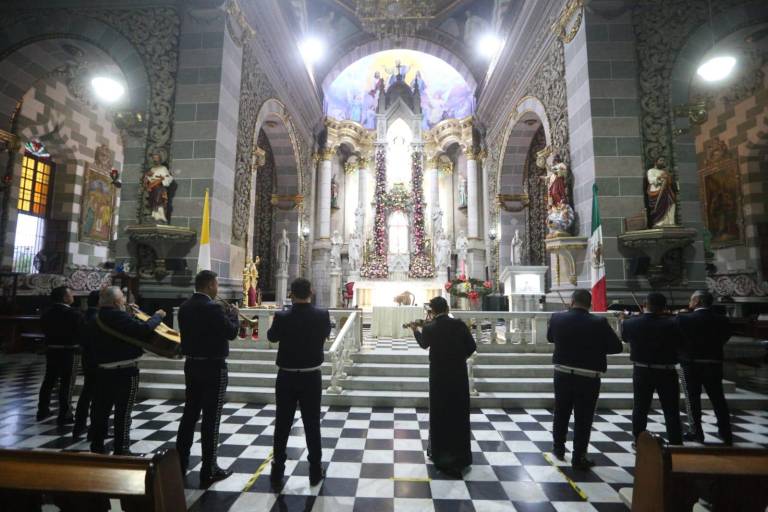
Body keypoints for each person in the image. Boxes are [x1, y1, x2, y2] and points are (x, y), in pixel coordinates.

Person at [176, 270, 239, 487]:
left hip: (192, 365)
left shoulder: (184, 307)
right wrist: (233, 314)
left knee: (189, 415)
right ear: (210, 284)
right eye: (216, 284)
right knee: (211, 419)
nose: (217, 288)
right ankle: (209, 469)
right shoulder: (213, 308)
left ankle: (180, 464)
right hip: (213, 367)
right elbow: (231, 332)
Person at [267, 278, 331, 490]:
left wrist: (275, 323)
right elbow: (324, 335)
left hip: (286, 376)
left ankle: (277, 470)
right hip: (311, 376)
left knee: (282, 424)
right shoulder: (322, 315)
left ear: (291, 294)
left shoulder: (282, 316)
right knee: (312, 424)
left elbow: (272, 337)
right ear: (311, 292)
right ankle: (314, 470)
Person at [548, 289, 623, 470]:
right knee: (584, 417)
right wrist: (595, 348)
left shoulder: (557, 318)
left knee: (561, 412)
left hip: (563, 373)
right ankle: (579, 456)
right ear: (589, 304)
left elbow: (550, 337)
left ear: (571, 301)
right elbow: (616, 347)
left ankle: (558, 448)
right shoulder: (599, 322)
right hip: (588, 377)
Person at [88, 287, 165, 455]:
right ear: (116, 302)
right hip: (124, 371)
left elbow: (122, 330)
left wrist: (130, 315)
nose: (125, 300)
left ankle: (97, 446)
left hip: (103, 370)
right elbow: (143, 330)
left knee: (101, 410)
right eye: (123, 298)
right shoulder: (117, 315)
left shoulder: (97, 317)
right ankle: (121, 449)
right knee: (123, 412)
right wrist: (157, 317)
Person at [410, 296, 477, 477]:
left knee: (440, 414)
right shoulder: (460, 325)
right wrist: (457, 358)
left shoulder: (431, 328)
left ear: (432, 311)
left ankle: (441, 456)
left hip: (439, 378)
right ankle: (461, 457)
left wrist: (415, 330)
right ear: (447, 308)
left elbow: (424, 344)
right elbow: (472, 347)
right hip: (458, 377)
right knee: (458, 414)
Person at [620, 292, 683, 445]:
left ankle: (638, 439)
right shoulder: (674, 323)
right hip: (667, 370)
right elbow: (682, 342)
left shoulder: (631, 323)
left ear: (644, 305)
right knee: (671, 408)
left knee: (640, 407)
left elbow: (625, 338)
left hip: (642, 370)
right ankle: (675, 441)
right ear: (664, 307)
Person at [676, 290, 732, 444]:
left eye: (691, 299)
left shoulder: (683, 319)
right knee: (718, 399)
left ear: (698, 301)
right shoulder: (722, 320)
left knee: (692, 400)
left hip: (690, 364)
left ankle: (696, 432)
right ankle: (726, 433)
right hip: (713, 363)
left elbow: (677, 338)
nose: (689, 302)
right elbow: (725, 337)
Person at [37, 286, 82, 426]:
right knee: (67, 383)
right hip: (69, 351)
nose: (73, 296)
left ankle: (42, 410)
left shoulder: (46, 313)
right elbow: (81, 332)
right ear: (64, 297)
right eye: (71, 294)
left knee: (49, 381)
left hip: (51, 350)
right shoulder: (73, 314)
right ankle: (65, 413)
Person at [73, 290, 100, 440]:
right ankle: (94, 430)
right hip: (97, 360)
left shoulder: (84, 315)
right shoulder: (97, 318)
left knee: (87, 393)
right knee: (97, 397)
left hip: (87, 358)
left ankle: (80, 426)